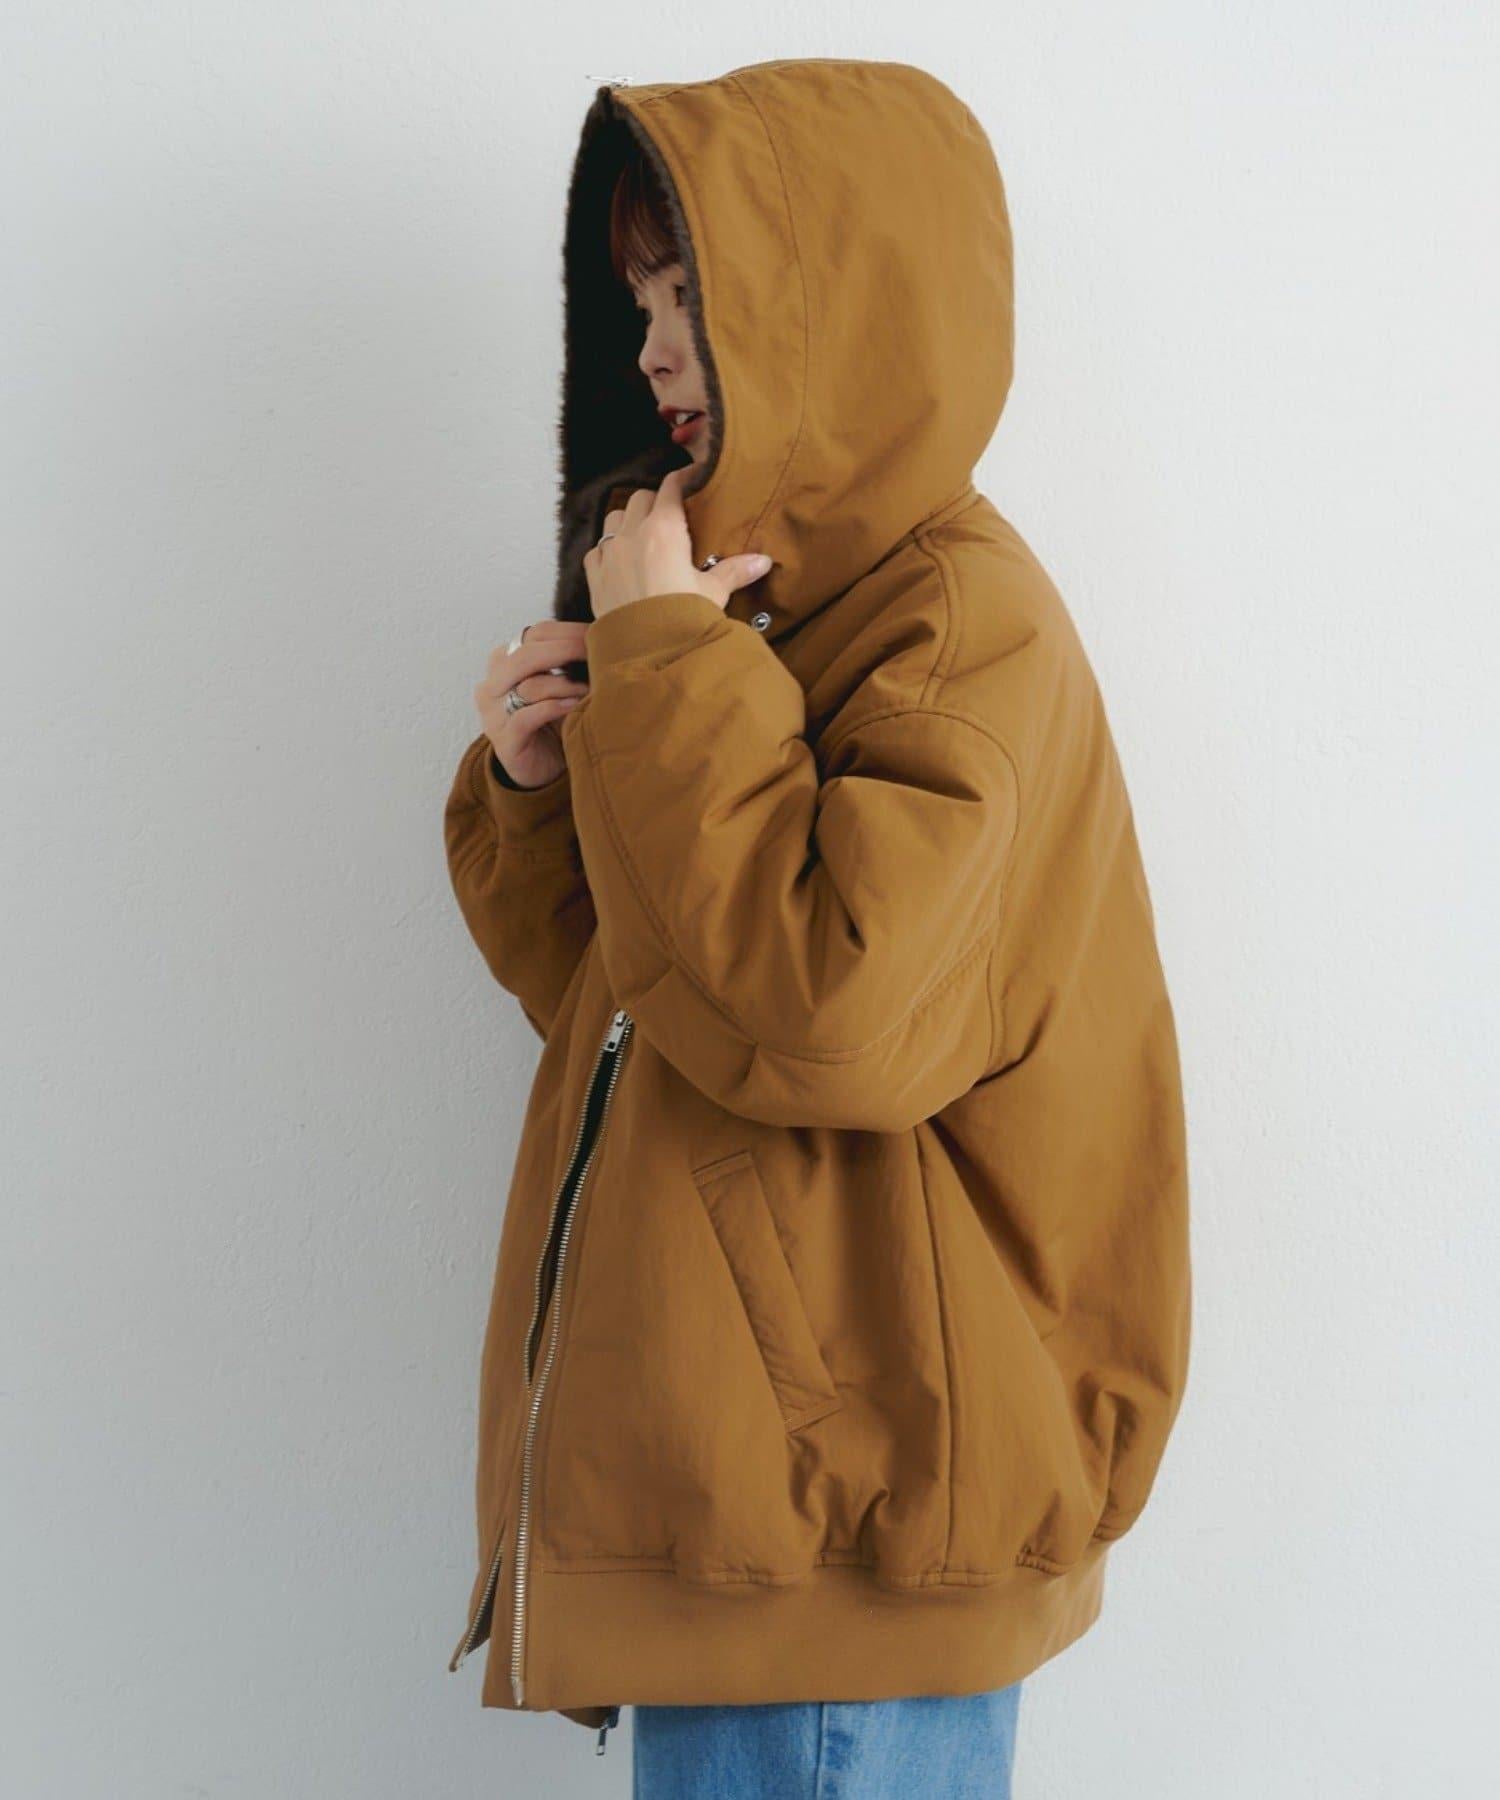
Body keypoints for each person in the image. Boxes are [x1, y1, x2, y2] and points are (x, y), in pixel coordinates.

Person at [442, 58, 1191, 1798]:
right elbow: (647, 1009)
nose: (652, 353)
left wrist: (674, 675)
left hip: (845, 1538)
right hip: (777, 1524)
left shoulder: (955, 627)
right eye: (639, 303)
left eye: (690, 298)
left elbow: (827, 1016)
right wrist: (550, 788)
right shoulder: (776, 613)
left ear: (831, 312)